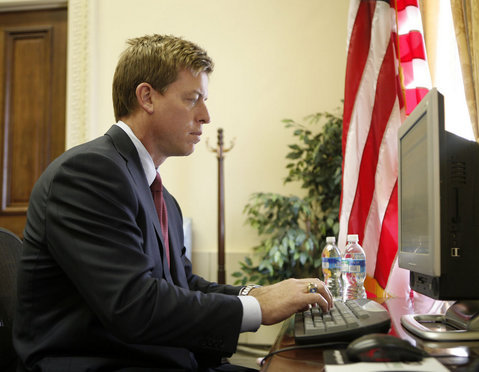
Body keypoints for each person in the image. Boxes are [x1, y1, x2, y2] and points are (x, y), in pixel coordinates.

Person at [13, 34, 332, 372]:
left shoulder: (161, 196)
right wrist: (258, 309)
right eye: (193, 99)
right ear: (147, 97)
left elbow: (184, 286)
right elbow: (133, 305)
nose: (206, 116)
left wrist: (258, 293)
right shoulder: (87, 174)